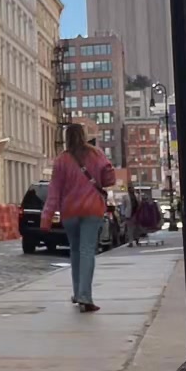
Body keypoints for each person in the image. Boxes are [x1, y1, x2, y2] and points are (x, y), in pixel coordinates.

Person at [40, 124, 116, 313]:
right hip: (92, 209)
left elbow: (54, 192)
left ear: (66, 138)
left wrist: (46, 217)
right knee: (87, 250)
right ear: (84, 136)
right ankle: (85, 296)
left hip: (70, 211)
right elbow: (109, 180)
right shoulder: (96, 154)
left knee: (75, 251)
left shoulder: (61, 160)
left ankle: (78, 292)